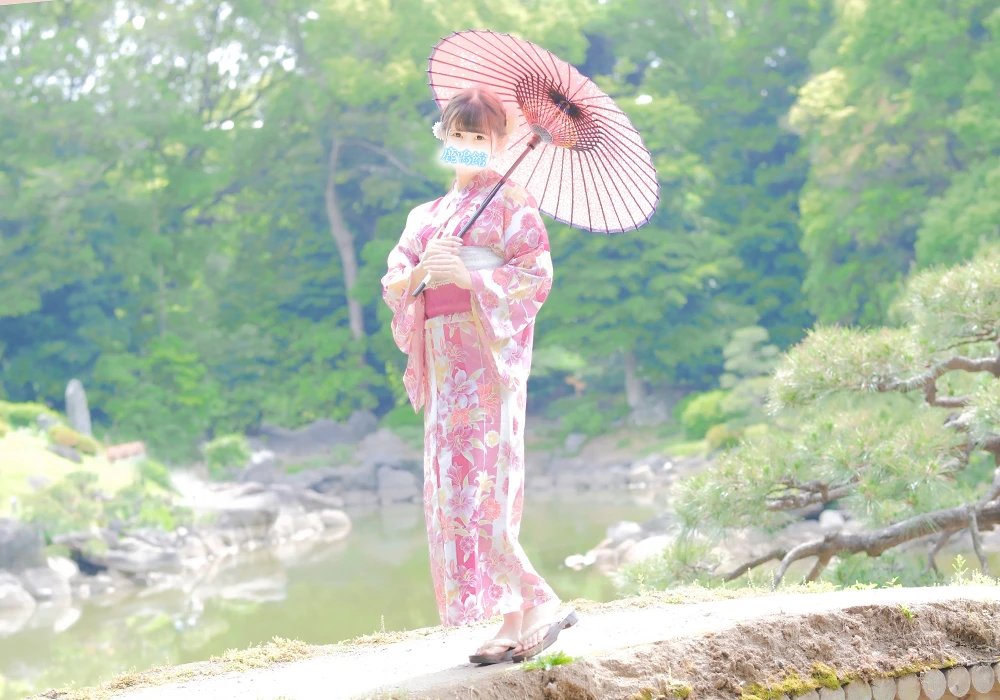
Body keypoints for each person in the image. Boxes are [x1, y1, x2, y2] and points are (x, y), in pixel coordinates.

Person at [380, 86, 578, 665]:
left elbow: (534, 276)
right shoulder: (426, 215)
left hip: (487, 363)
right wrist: (423, 270)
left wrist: (468, 279)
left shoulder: (513, 203)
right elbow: (395, 282)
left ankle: (537, 605)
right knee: (451, 491)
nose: (467, 146)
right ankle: (506, 621)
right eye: (458, 135)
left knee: (487, 489)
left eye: (480, 137)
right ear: (446, 139)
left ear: (498, 143)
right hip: (445, 366)